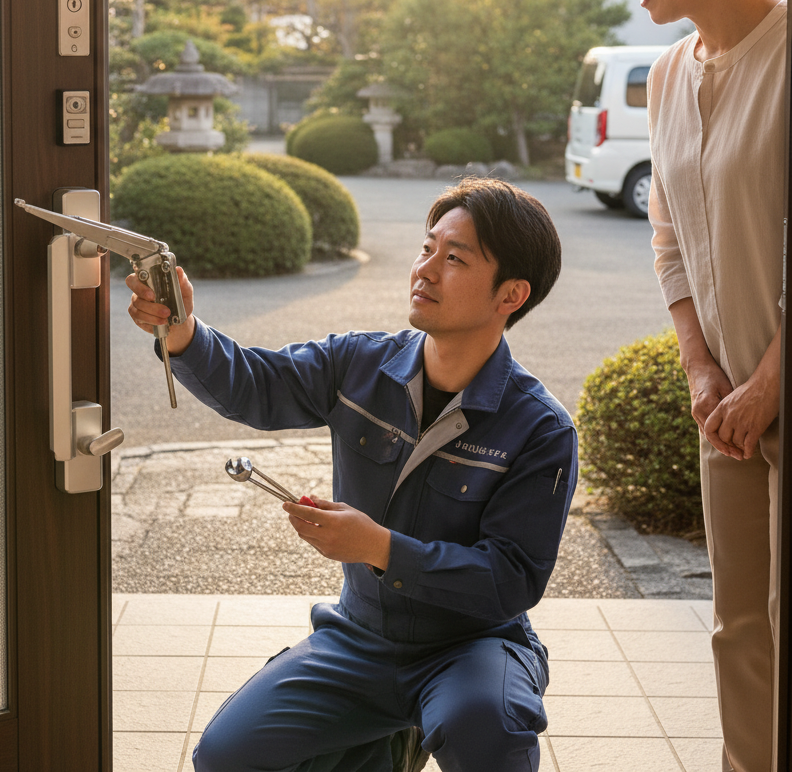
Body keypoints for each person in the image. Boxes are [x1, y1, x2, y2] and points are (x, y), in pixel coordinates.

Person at [127, 177, 577, 772]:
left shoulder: (540, 429)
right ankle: (385, 744)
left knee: (484, 725)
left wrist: (380, 547)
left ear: (510, 295)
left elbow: (511, 579)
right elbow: (255, 386)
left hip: (473, 647)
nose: (426, 269)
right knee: (225, 756)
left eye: (455, 258)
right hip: (360, 638)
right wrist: (181, 330)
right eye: (426, 247)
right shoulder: (359, 363)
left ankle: (414, 727)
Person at [591, 0, 785, 772]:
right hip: (726, 405)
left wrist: (767, 383)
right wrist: (704, 370)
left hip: (778, 388)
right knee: (738, 628)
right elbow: (669, 235)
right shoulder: (666, 74)